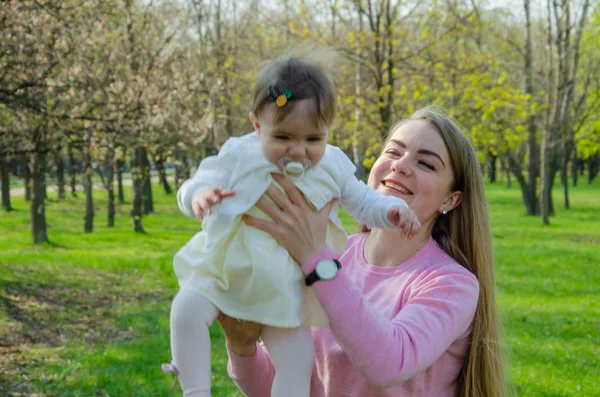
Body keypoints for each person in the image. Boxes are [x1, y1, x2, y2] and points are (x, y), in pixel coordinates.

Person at [163, 49, 421, 397]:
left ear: (328, 129)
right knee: (186, 309)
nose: (299, 151)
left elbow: (364, 201)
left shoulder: (332, 166)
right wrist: (199, 195)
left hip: (287, 285)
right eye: (283, 138)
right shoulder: (240, 153)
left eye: (313, 139)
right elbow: (193, 183)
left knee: (297, 361)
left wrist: (390, 211)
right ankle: (195, 391)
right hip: (228, 266)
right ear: (257, 125)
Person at [219, 106, 509, 397]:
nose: (401, 165)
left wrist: (313, 256)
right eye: (394, 152)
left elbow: (389, 365)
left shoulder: (451, 284)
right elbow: (283, 384)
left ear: (451, 199)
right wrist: (242, 349)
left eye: (426, 164)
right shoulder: (334, 255)